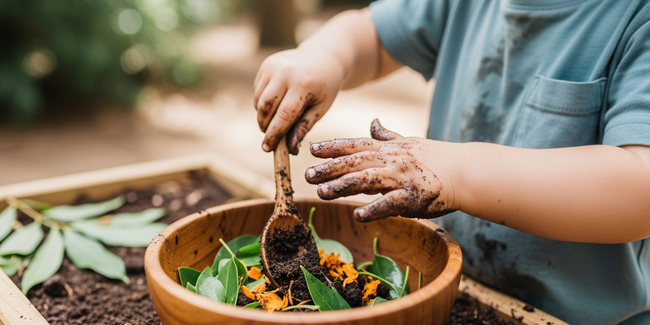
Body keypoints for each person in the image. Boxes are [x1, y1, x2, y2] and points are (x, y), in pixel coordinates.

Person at [252, 1, 650, 324]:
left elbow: (641, 187)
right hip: (455, 290)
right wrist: (326, 56)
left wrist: (462, 170)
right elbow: (372, 34)